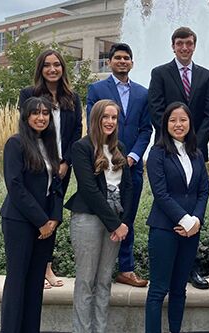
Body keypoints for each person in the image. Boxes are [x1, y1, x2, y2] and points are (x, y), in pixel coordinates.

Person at [148, 26, 209, 289]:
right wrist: (172, 137)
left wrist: (193, 143)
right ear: (173, 46)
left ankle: (192, 267)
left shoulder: (206, 76)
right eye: (179, 43)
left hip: (195, 151)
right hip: (166, 149)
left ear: (194, 45)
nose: (184, 47)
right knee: (170, 199)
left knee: (194, 202)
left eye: (189, 43)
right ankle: (171, 265)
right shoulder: (160, 73)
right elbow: (156, 109)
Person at [87, 43, 152, 288]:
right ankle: (98, 269)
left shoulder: (143, 94)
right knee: (100, 216)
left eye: (127, 58)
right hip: (103, 164)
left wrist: (133, 155)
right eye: (118, 58)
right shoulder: (96, 89)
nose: (122, 61)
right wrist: (109, 153)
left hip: (132, 166)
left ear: (132, 63)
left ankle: (125, 269)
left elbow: (147, 129)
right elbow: (92, 123)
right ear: (110, 62)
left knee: (127, 217)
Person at [65, 100, 132, 333]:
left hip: (115, 223)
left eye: (114, 117)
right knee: (86, 282)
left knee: (105, 281)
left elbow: (130, 188)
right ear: (96, 118)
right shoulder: (81, 147)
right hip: (88, 219)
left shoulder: (119, 147)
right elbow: (89, 189)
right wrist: (116, 224)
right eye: (106, 117)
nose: (110, 121)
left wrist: (124, 223)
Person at [19, 49, 82, 289]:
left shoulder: (72, 97)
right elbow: (24, 129)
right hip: (37, 164)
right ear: (41, 69)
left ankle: (46, 267)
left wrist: (66, 162)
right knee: (35, 212)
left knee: (53, 215)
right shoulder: (28, 94)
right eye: (47, 65)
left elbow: (77, 131)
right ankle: (32, 266)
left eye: (57, 65)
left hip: (62, 168)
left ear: (63, 68)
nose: (52, 69)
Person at [145, 102, 209, 333]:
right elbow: (160, 193)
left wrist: (197, 221)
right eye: (173, 120)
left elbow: (203, 190)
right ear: (165, 124)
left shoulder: (196, 153)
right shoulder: (157, 153)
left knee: (179, 289)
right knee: (158, 290)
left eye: (183, 120)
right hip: (164, 229)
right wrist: (185, 220)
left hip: (191, 231)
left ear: (190, 123)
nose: (178, 124)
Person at [0, 96, 63, 333]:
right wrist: (41, 221)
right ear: (26, 117)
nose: (41, 117)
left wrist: (54, 218)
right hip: (19, 222)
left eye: (45, 113)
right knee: (17, 282)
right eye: (35, 113)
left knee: (36, 283)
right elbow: (15, 186)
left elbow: (56, 185)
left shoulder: (48, 146)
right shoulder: (15, 144)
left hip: (46, 225)